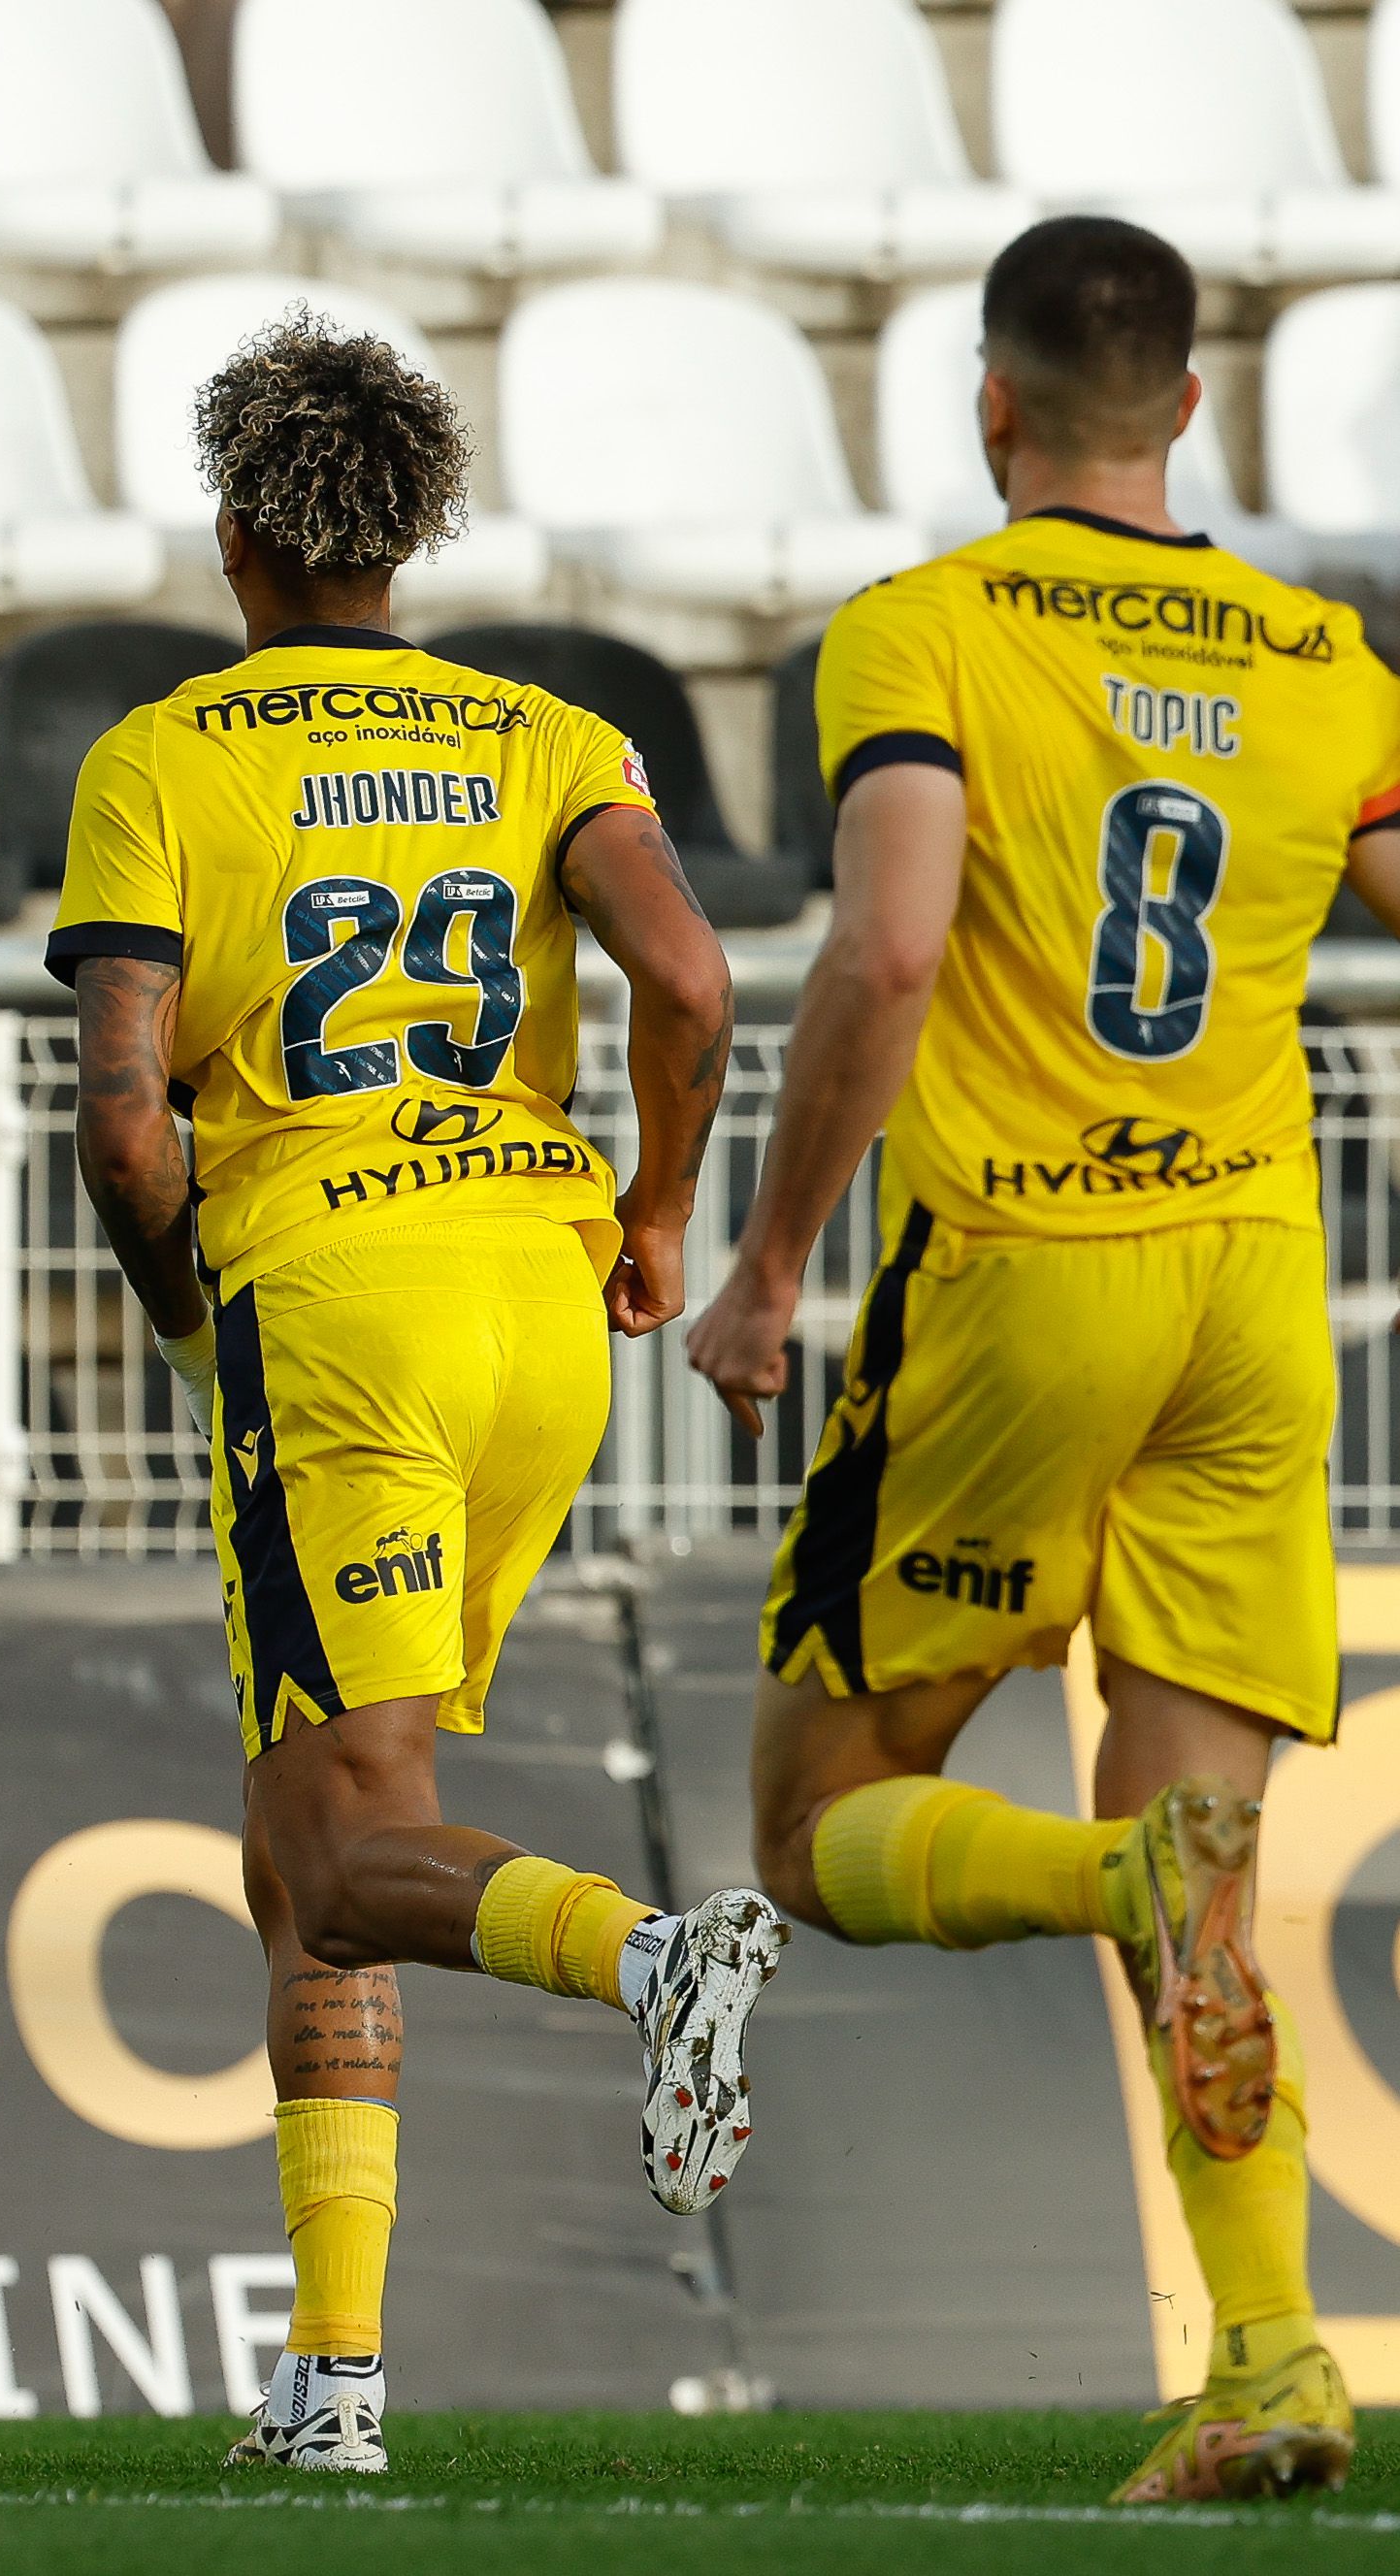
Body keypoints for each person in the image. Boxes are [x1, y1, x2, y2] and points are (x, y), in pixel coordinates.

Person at [684, 216, 1395, 2507]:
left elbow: (891, 951)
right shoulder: (1328, 660)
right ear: (1192, 407)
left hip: (1026, 1275)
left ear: (991, 406)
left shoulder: (927, 631)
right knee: (1203, 1834)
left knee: (804, 1824)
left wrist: (772, 1255)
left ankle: (1110, 1893)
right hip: (1256, 1301)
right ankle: (1276, 2353)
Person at [57, 312, 780, 2477]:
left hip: (337, 1304)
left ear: (228, 538)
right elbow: (686, 976)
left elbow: (119, 1127)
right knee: (317, 1836)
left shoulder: (161, 755)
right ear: (413, 530)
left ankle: (650, 1955)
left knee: (346, 1839)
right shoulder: (549, 733)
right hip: (540, 1311)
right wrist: (656, 1209)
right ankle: (335, 2382)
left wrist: (188, 1306)